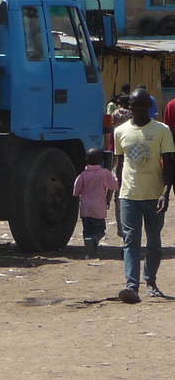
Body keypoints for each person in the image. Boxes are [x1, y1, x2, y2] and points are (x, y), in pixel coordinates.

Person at [113, 87, 175, 304]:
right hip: (129, 196)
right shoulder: (120, 131)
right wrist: (117, 193)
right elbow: (120, 165)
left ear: (149, 106)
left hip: (153, 195)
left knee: (154, 241)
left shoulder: (162, 130)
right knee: (131, 240)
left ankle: (151, 281)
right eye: (132, 105)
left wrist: (166, 193)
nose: (136, 109)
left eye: (140, 105)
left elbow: (168, 163)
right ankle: (131, 286)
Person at [72, 148, 118, 258]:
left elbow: (76, 191)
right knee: (100, 230)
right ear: (102, 159)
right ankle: (94, 239)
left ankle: (90, 251)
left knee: (87, 230)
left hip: (85, 208)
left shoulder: (83, 175)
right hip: (99, 208)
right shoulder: (104, 173)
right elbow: (114, 186)